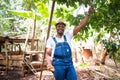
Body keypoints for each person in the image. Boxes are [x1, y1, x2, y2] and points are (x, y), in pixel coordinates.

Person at [45, 6, 94, 80]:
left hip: (69, 63)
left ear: (64, 28)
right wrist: (49, 64)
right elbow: (48, 54)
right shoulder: (51, 39)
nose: (61, 27)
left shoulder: (68, 35)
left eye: (62, 26)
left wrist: (88, 14)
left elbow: (81, 25)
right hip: (58, 64)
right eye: (59, 26)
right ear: (56, 27)